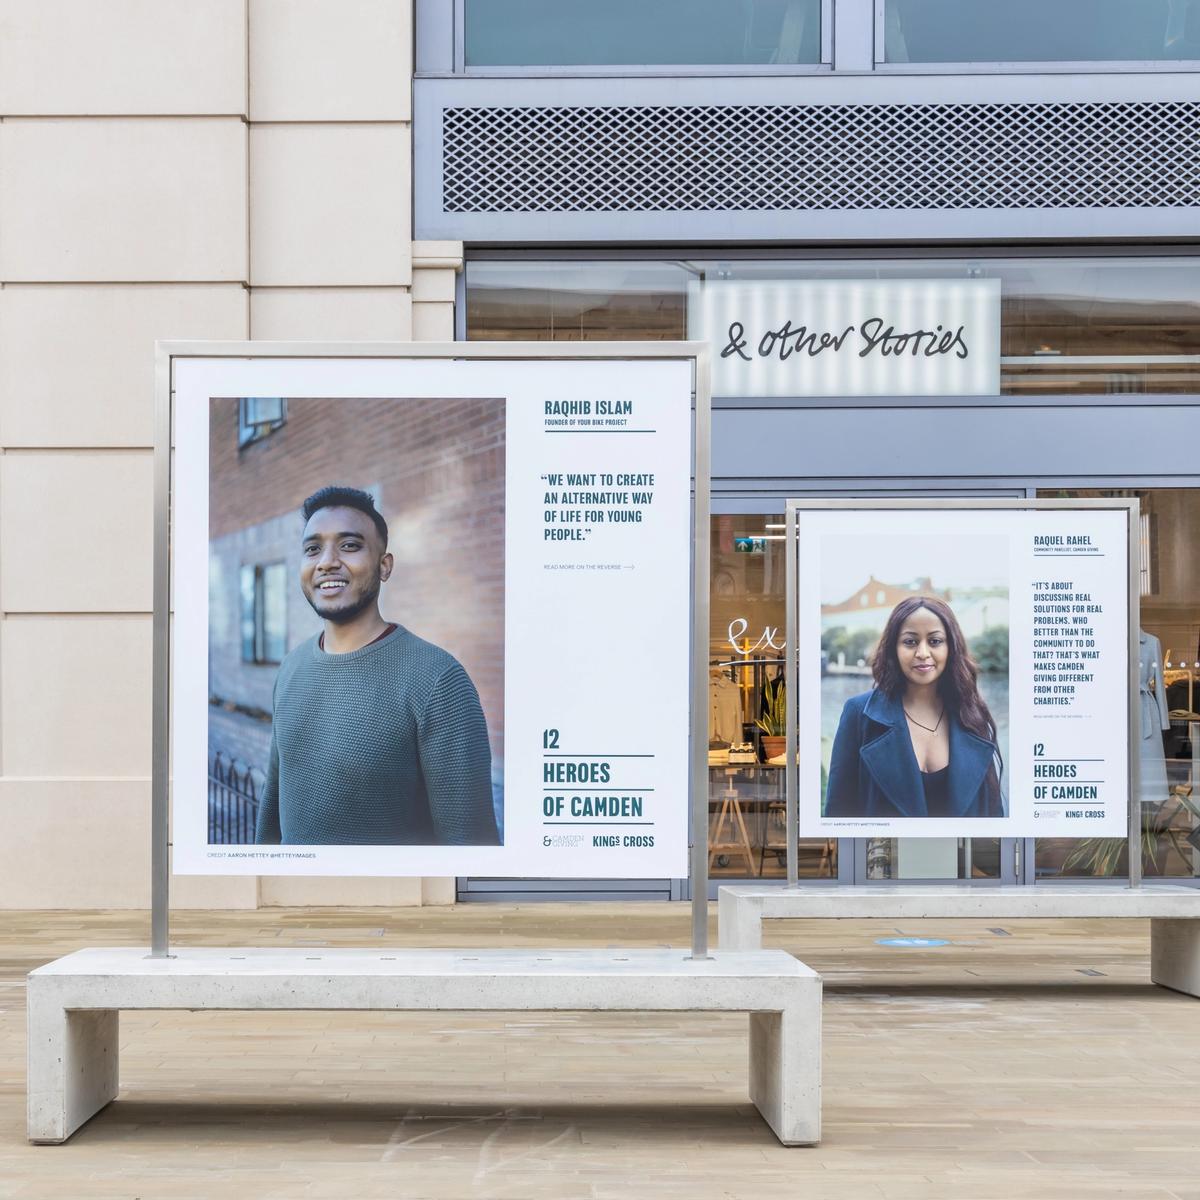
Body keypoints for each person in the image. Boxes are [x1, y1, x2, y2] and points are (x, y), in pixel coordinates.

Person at [254, 485, 501, 846]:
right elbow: (273, 807)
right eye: (312, 549)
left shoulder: (438, 680)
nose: (326, 562)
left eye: (349, 545)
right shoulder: (291, 667)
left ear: (384, 566)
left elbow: (470, 845)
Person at [825, 595, 1004, 819]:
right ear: (893, 648)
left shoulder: (973, 717)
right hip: (884, 854)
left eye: (935, 641)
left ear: (951, 647)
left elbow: (994, 816)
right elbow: (837, 812)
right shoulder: (858, 714)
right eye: (910, 641)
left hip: (961, 855)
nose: (922, 653)